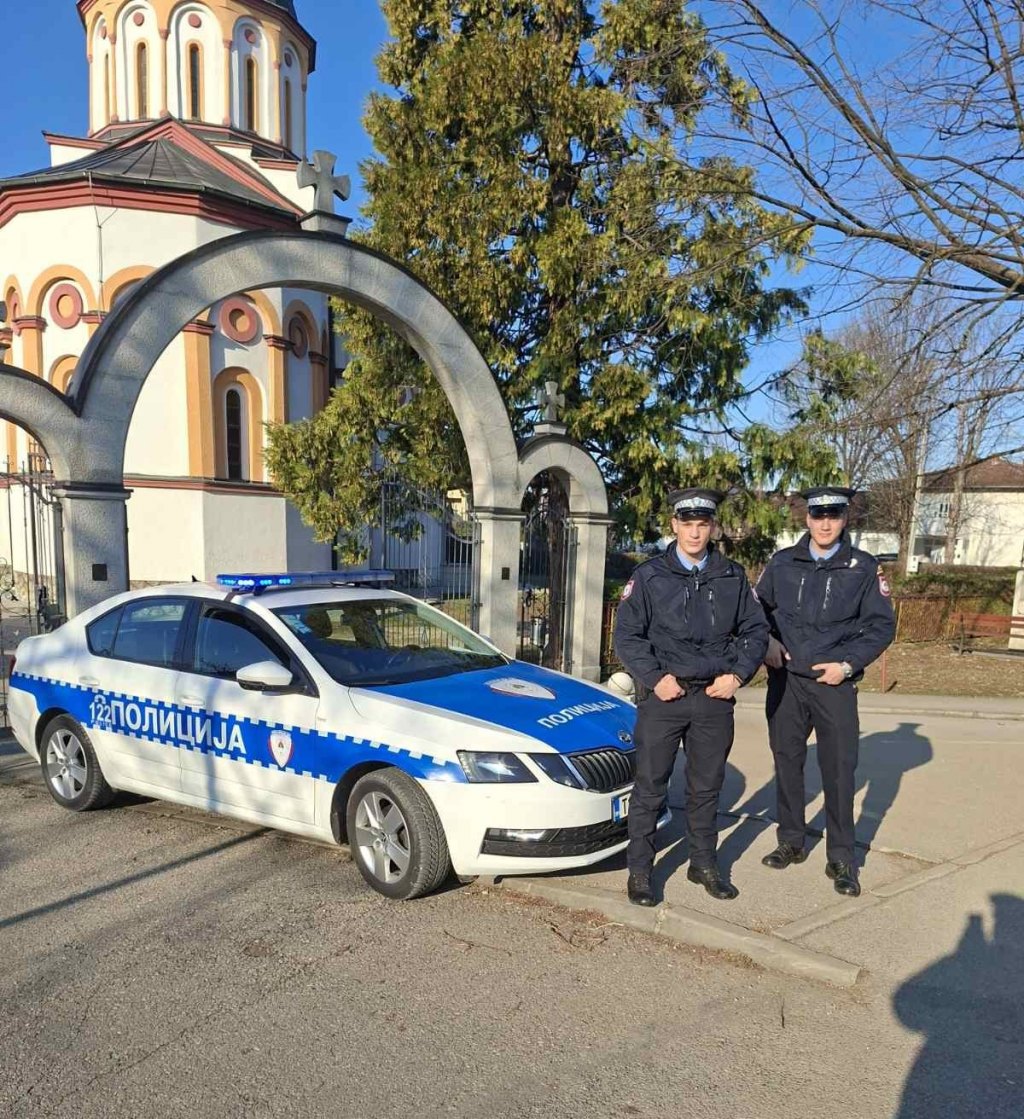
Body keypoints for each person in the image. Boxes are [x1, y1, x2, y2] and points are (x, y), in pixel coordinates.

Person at [614, 487, 769, 906]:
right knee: (650, 788)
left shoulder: (731, 576)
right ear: (674, 526)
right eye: (688, 524)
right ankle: (641, 872)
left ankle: (703, 864)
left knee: (706, 789)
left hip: (714, 699)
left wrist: (738, 675)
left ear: (712, 527)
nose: (695, 532)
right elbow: (626, 636)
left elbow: (756, 631)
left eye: (703, 524)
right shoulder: (649, 576)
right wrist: (654, 677)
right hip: (664, 697)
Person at [755, 486, 896, 897]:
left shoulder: (862, 567)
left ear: (845, 519)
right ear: (807, 519)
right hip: (787, 682)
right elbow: (755, 613)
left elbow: (881, 626)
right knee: (788, 764)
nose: (825, 524)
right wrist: (768, 646)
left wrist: (848, 665)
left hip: (835, 684)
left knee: (838, 771)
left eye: (833, 516)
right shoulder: (782, 564)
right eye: (818, 516)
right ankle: (791, 841)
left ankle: (841, 857)